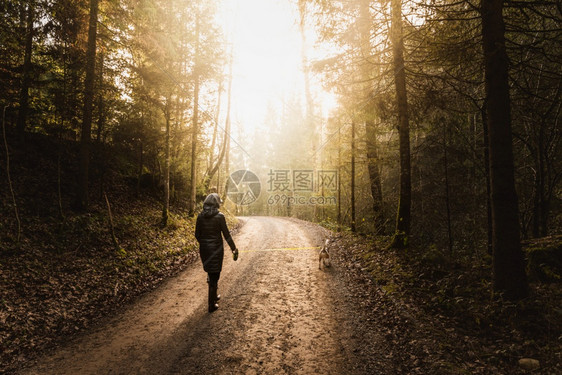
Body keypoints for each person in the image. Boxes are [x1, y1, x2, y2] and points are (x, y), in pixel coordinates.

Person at [195, 193, 238, 313]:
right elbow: (226, 235)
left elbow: (197, 235)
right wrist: (233, 248)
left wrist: (204, 243)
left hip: (204, 250)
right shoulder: (220, 217)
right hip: (217, 250)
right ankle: (211, 305)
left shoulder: (200, 216)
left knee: (211, 272)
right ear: (216, 203)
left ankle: (214, 296)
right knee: (215, 274)